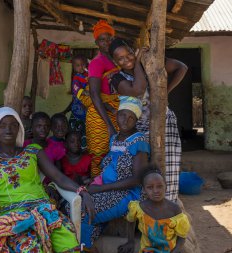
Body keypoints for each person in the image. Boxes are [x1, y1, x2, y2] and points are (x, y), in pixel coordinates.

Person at [0, 107, 95, 253]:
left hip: (46, 213)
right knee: (30, 248)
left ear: (19, 127)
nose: (8, 130)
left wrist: (82, 192)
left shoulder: (33, 151)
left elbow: (59, 177)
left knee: (70, 246)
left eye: (13, 125)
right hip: (14, 218)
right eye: (2, 125)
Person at [109, 38, 188, 202]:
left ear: (132, 50)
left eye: (129, 54)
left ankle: (168, 207)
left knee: (168, 167)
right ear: (115, 62)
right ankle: (146, 212)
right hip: (138, 129)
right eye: (120, 58)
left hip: (164, 123)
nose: (126, 60)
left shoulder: (153, 64)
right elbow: (138, 89)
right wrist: (137, 62)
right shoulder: (117, 78)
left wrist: (165, 92)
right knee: (143, 171)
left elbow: (182, 67)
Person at [81, 96, 150, 252]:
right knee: (71, 204)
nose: (126, 120)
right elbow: (111, 166)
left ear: (136, 120)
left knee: (83, 211)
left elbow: (137, 179)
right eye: (123, 115)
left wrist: (99, 189)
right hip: (109, 189)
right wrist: (93, 181)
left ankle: (87, 248)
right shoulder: (115, 139)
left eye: (132, 117)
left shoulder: (139, 141)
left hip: (128, 194)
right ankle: (88, 243)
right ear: (117, 115)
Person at [119, 166, 190, 253]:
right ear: (144, 190)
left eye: (159, 186)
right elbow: (130, 221)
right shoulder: (139, 208)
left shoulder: (174, 210)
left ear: (166, 187)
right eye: (150, 187)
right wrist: (130, 241)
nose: (156, 191)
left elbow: (182, 237)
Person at [87, 19, 121, 177]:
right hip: (100, 116)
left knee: (118, 152)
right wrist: (108, 125)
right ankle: (97, 190)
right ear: (96, 42)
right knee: (99, 155)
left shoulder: (117, 59)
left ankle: (113, 186)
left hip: (116, 111)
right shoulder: (97, 63)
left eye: (109, 38)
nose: (106, 42)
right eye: (102, 39)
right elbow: (94, 94)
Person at [63, 54, 90, 150]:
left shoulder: (89, 75)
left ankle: (84, 148)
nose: (82, 67)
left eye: (83, 65)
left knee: (86, 132)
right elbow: (76, 89)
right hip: (77, 108)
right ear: (74, 67)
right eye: (78, 65)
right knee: (75, 131)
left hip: (86, 110)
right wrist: (84, 92)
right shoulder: (76, 77)